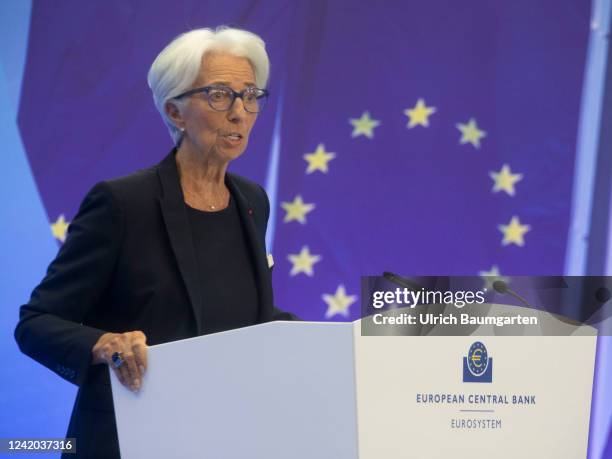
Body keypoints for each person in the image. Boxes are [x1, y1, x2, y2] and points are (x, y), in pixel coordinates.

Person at [14, 26, 296, 458]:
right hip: (131, 439)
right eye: (220, 95)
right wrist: (102, 344)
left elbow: (240, 315)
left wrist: (322, 341)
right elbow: (36, 323)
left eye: (250, 95)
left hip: (227, 436)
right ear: (175, 112)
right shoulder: (123, 203)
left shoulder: (252, 202)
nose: (240, 112)